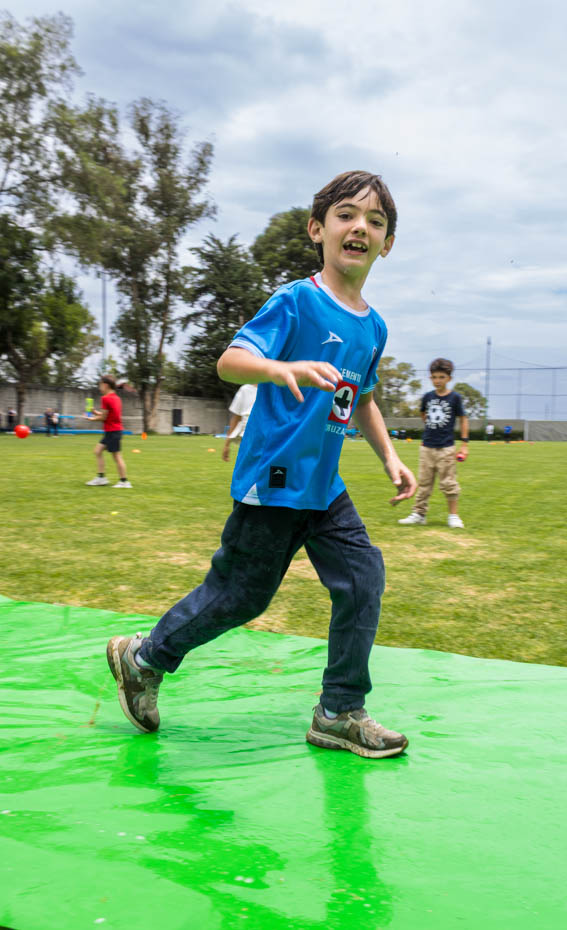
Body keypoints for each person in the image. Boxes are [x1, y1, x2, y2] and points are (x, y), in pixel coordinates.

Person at [107, 170, 416, 759]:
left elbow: (364, 398)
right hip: (274, 479)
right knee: (241, 596)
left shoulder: (373, 326)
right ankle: (143, 658)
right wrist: (283, 369)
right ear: (317, 229)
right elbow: (230, 361)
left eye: (375, 221)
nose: (360, 227)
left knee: (364, 578)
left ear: (387, 243)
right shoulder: (296, 301)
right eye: (347, 215)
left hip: (324, 487)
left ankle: (338, 711)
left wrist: (391, 458)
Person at [398, 357, 469, 528]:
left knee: (449, 483)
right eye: (434, 377)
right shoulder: (427, 397)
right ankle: (419, 514)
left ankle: (453, 516)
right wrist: (431, 431)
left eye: (441, 377)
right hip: (427, 447)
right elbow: (424, 415)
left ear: (449, 378)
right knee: (424, 483)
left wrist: (464, 444)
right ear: (431, 378)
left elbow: (463, 419)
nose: (437, 380)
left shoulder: (455, 398)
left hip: (446, 448)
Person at [84, 376, 132, 488]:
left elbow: (104, 418)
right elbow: (108, 415)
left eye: (100, 384)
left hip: (113, 431)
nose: (99, 387)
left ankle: (124, 481)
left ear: (105, 385)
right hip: (114, 431)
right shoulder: (116, 398)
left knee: (117, 456)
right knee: (97, 451)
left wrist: (91, 419)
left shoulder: (105, 398)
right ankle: (101, 478)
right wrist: (94, 412)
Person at [221, 383, 258, 462]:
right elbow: (236, 418)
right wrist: (226, 445)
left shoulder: (277, 389)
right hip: (247, 436)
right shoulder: (245, 389)